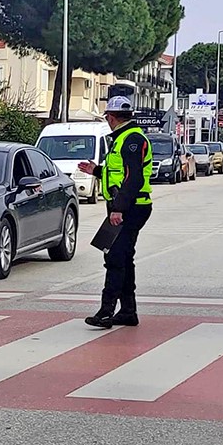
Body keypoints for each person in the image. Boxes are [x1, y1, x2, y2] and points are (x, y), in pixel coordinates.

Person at [77, 96, 153, 329]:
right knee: (122, 257)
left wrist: (118, 209)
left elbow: (134, 178)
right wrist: (97, 171)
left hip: (131, 207)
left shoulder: (131, 140)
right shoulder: (124, 138)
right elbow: (119, 175)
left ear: (111, 117)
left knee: (115, 258)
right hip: (127, 206)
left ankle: (106, 312)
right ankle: (128, 311)